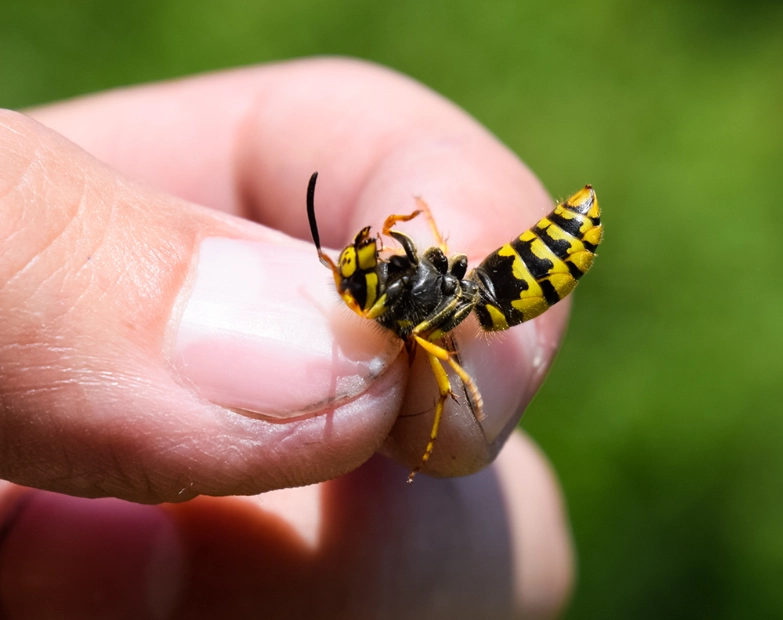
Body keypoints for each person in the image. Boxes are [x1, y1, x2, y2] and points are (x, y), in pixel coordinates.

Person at [0, 58, 573, 618]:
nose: (359, 262)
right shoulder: (405, 312)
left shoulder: (416, 297)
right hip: (499, 287)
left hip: (500, 286)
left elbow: (421, 274)